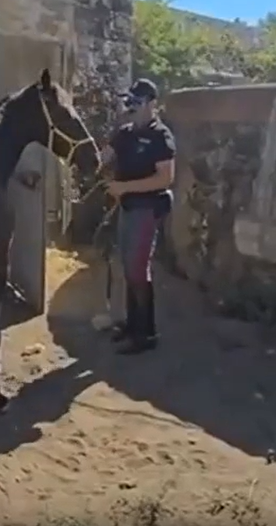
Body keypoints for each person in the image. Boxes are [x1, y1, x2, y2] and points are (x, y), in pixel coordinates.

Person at [100, 78, 176, 355]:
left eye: (137, 102)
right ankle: (133, 326)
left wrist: (124, 187)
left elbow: (165, 178)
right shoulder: (126, 132)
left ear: (152, 104)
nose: (132, 106)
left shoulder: (160, 136)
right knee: (127, 266)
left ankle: (147, 333)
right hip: (127, 208)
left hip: (146, 208)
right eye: (129, 101)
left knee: (137, 270)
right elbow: (104, 157)